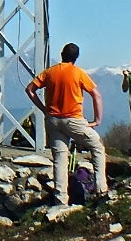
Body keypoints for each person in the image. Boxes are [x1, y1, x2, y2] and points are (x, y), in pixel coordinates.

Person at [25, 43, 108, 205]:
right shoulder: (78, 73)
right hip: (74, 120)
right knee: (97, 147)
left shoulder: (50, 72)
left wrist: (44, 110)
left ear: (62, 54)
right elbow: (96, 95)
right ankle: (101, 189)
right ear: (76, 58)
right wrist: (97, 120)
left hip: (53, 120)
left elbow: (30, 90)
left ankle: (60, 199)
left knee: (60, 159)